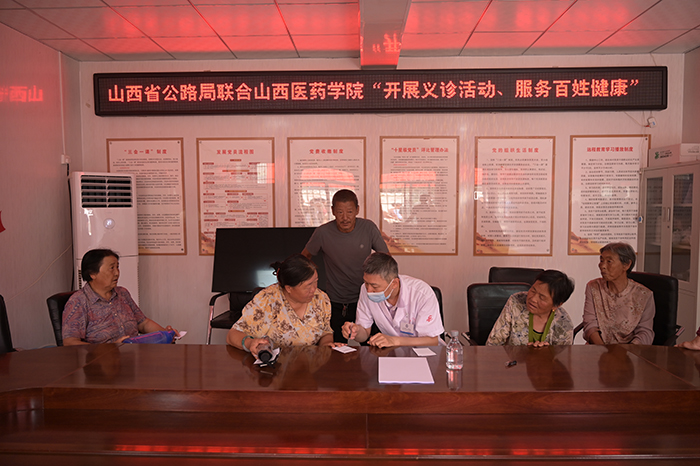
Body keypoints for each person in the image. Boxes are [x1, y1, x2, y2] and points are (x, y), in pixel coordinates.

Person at [302, 189, 389, 341]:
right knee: (336, 348)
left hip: (366, 299)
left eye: (349, 212)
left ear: (357, 210)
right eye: (340, 212)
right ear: (333, 211)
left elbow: (386, 259)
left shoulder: (368, 228)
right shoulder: (323, 232)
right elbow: (303, 258)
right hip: (335, 301)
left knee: (373, 345)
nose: (345, 218)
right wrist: (313, 276)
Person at [227, 254, 343, 357]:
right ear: (289, 288)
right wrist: (249, 343)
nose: (314, 289)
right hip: (275, 369)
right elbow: (232, 335)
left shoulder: (321, 299)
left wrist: (326, 346)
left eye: (316, 281)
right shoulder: (267, 300)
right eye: (308, 286)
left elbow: (325, 332)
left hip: (310, 368)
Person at [62, 249, 178, 346]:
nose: (117, 273)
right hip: (101, 362)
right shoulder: (78, 301)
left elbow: (143, 323)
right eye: (111, 268)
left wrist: (166, 333)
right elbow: (70, 342)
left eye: (117, 267)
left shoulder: (122, 293)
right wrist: (109, 348)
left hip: (133, 356)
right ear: (93, 274)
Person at [341, 252, 444, 347]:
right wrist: (356, 331)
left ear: (394, 283)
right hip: (391, 352)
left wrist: (395, 341)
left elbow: (432, 341)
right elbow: (364, 334)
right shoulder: (365, 289)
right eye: (366, 283)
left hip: (424, 352)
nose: (369, 290)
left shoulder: (422, 294)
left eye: (375, 286)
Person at [582, 242, 655, 345]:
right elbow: (590, 324)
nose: (602, 266)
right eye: (601, 260)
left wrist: (627, 352)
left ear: (626, 265)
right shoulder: (593, 287)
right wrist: (603, 349)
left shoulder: (644, 295)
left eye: (609, 261)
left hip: (630, 351)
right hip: (598, 348)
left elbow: (645, 332)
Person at [486, 269, 575, 346]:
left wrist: (546, 354)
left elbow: (562, 358)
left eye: (542, 297)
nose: (533, 299)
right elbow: (493, 344)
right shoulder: (516, 302)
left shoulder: (564, 325)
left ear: (557, 305)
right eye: (533, 290)